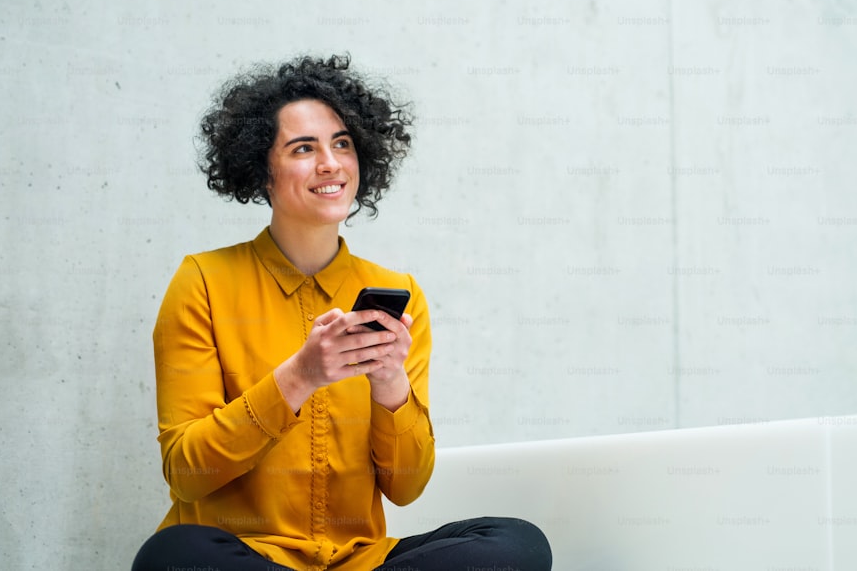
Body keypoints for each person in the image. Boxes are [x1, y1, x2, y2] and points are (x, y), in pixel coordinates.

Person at [132, 55, 552, 571]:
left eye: (342, 144)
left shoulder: (398, 292)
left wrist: (391, 384)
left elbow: (406, 488)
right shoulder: (202, 280)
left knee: (516, 544)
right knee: (172, 556)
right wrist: (299, 377)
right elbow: (186, 473)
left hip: (360, 560)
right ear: (262, 170)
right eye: (303, 148)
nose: (329, 163)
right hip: (246, 557)